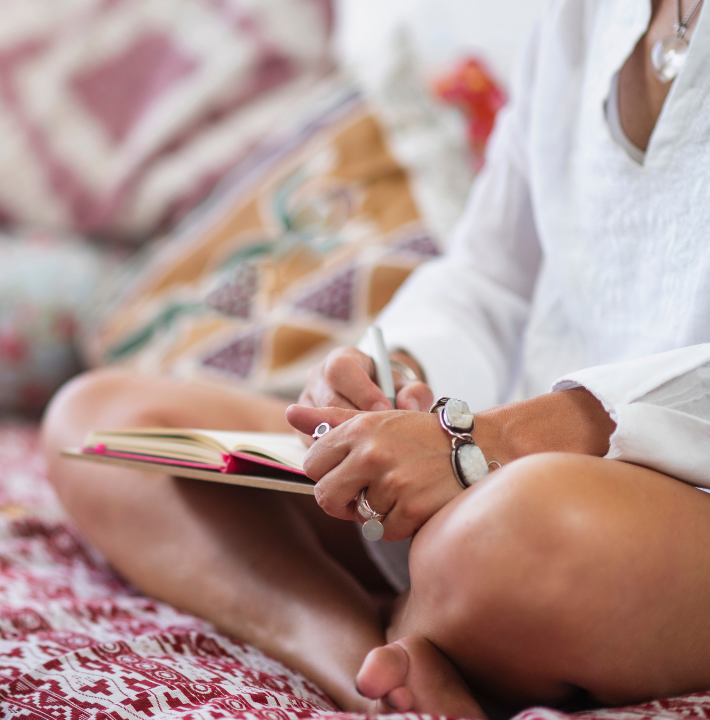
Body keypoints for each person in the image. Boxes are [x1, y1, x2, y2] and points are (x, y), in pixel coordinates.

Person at [40, 0, 710, 716]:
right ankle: (361, 660)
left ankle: (422, 624)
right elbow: (491, 277)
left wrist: (498, 440)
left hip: (626, 501)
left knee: (505, 538)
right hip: (488, 469)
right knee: (99, 418)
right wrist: (394, 382)